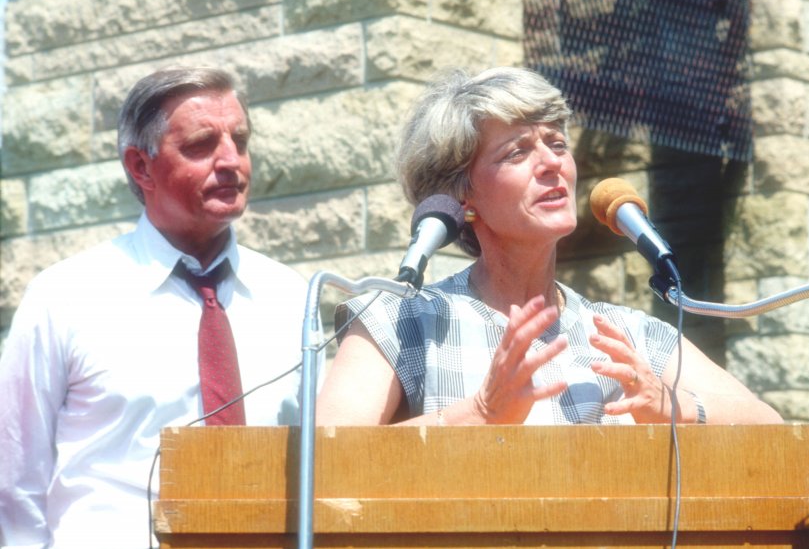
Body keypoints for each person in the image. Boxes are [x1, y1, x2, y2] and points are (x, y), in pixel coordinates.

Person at [316, 67, 782, 426]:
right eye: (517, 152)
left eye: (557, 144)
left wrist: (673, 406)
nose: (551, 164)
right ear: (461, 198)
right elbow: (326, 459)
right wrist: (479, 413)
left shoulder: (626, 333)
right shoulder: (397, 320)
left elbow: (771, 426)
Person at [0, 67, 306, 548]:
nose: (231, 160)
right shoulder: (64, 298)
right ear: (141, 167)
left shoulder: (292, 297)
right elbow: (16, 485)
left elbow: (317, 462)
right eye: (202, 144)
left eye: (240, 140)